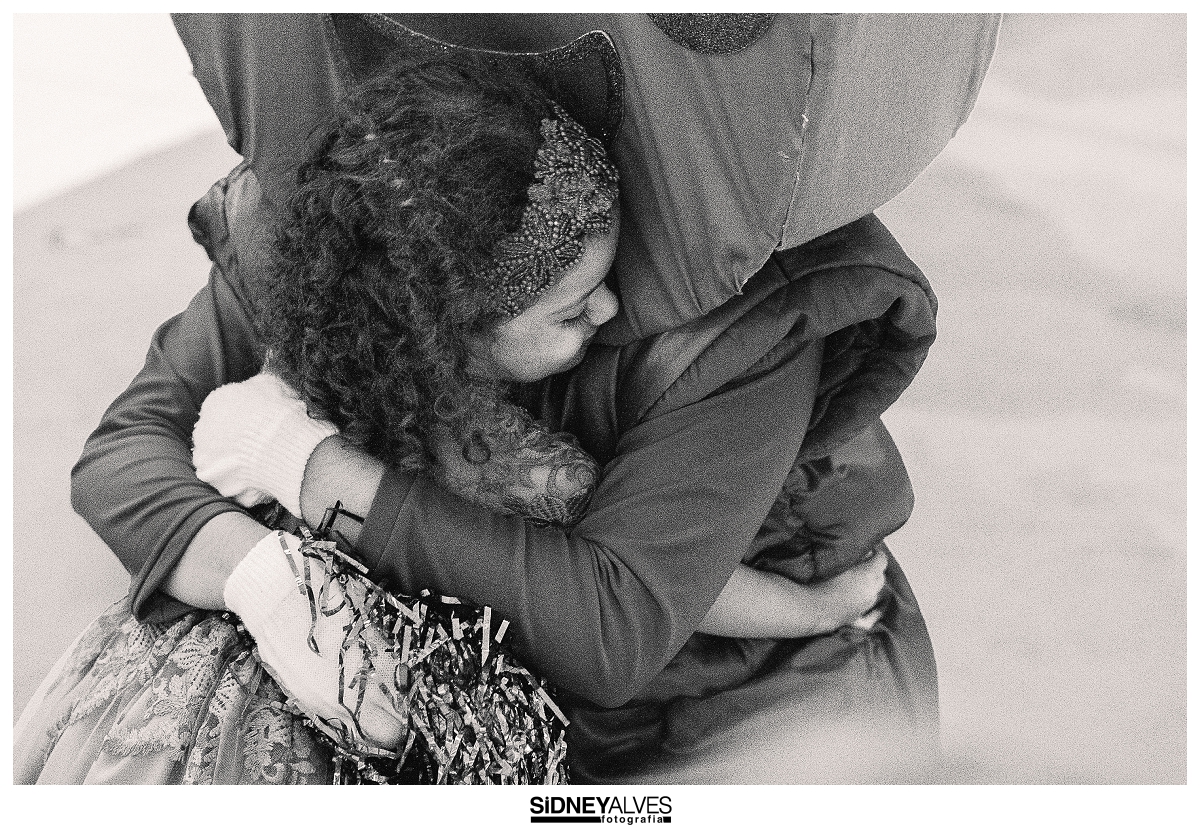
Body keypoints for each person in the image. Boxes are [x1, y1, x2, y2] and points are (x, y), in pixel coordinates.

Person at [58, 13, 997, 783]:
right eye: (571, 311)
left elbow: (611, 628)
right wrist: (260, 576)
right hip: (501, 699)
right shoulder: (343, 234)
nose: (614, 307)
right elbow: (121, 456)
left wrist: (316, 473)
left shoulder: (744, 325)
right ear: (437, 331)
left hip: (746, 719)